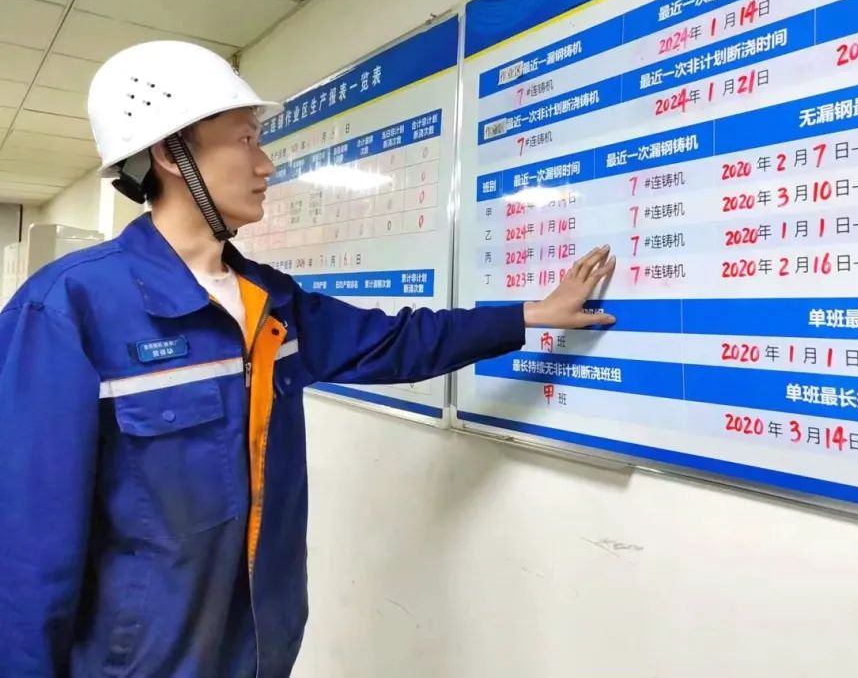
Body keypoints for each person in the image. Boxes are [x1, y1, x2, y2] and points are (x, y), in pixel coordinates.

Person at [0, 41, 616, 677]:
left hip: (259, 652)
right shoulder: (69, 308)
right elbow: (25, 546)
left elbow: (395, 341)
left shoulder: (271, 302)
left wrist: (530, 315)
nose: (265, 165)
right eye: (245, 140)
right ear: (170, 153)